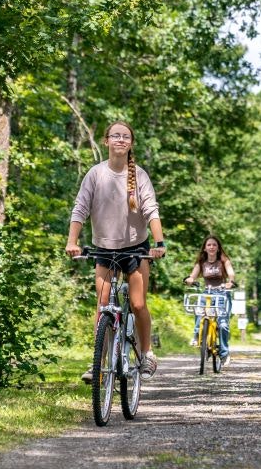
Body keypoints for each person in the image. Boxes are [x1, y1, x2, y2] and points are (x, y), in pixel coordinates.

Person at [65, 121, 167, 381]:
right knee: (102, 304)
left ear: (130, 143)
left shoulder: (139, 175)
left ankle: (147, 354)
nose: (120, 140)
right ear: (106, 141)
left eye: (125, 137)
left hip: (136, 249)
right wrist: (72, 241)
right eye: (115, 136)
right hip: (105, 248)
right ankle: (97, 363)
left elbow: (151, 210)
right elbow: (80, 208)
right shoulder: (96, 174)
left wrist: (159, 244)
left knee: (138, 302)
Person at [183, 236, 235, 366]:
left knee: (222, 324)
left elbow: (231, 273)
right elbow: (193, 275)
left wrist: (230, 282)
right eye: (209, 245)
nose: (211, 247)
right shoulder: (201, 262)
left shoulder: (223, 260)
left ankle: (224, 353)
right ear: (205, 248)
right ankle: (196, 336)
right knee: (198, 310)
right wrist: (190, 280)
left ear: (218, 248)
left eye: (214, 245)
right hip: (207, 293)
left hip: (222, 293)